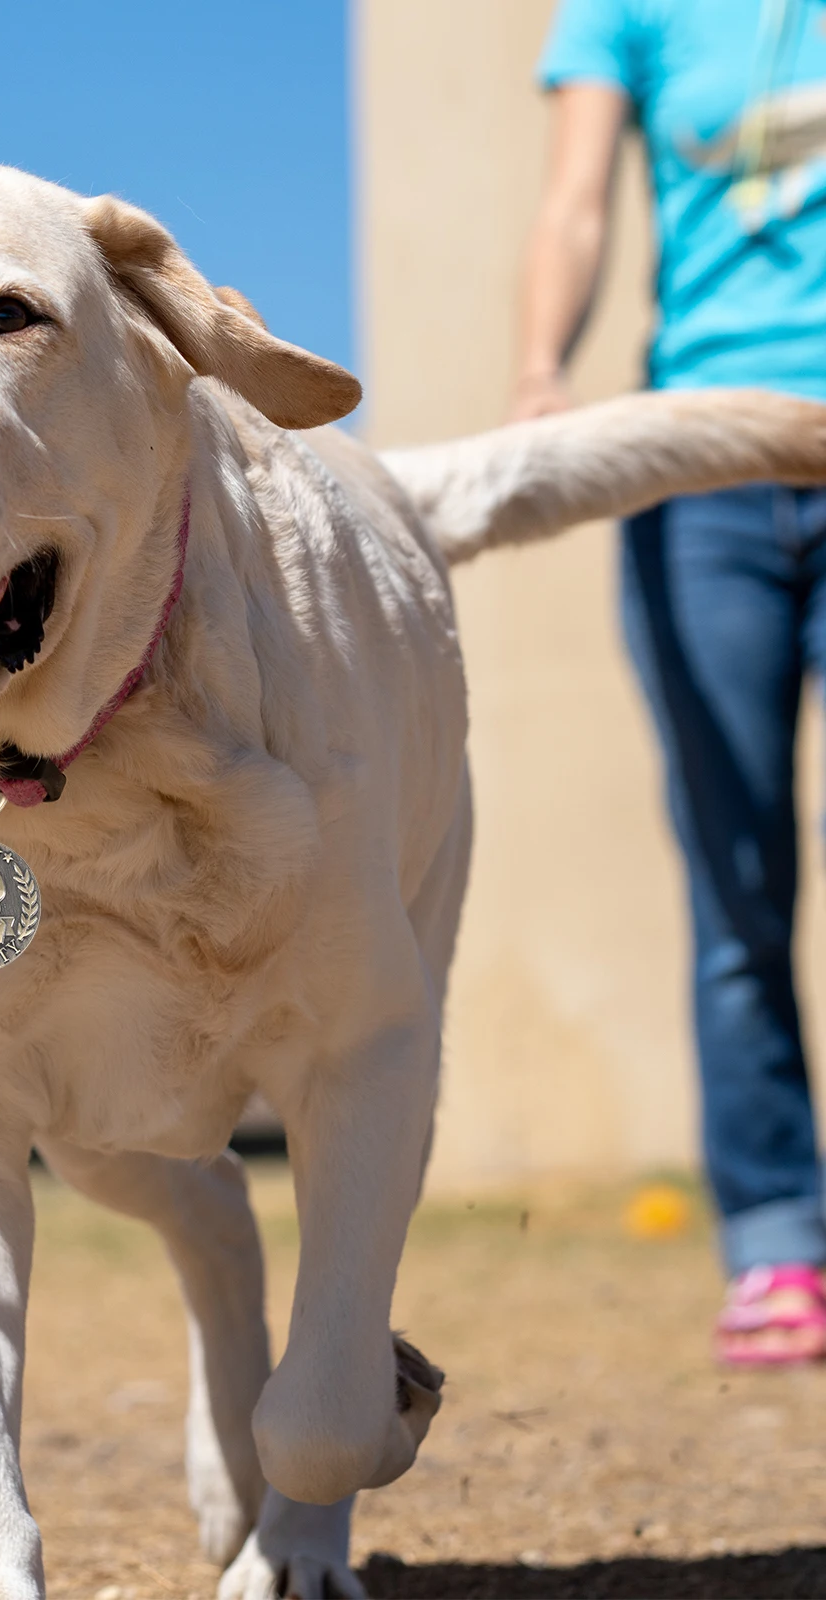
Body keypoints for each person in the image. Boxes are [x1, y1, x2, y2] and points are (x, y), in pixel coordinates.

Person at [516, 0, 826, 1365]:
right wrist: (540, 376)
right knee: (736, 886)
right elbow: (577, 201)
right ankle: (778, 1243)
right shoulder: (627, 10)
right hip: (700, 473)